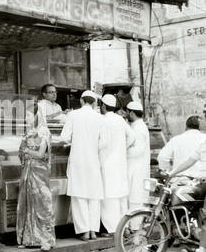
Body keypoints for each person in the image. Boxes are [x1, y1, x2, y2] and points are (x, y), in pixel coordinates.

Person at [60, 90, 104, 241]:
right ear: (94, 103)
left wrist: (75, 140)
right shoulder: (99, 117)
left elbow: (64, 137)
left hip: (78, 160)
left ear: (81, 101)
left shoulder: (73, 115)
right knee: (93, 196)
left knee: (79, 196)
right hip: (93, 160)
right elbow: (103, 142)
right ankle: (93, 231)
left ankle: (84, 231)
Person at [16, 103, 56, 251]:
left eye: (28, 115)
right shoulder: (28, 132)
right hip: (28, 171)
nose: (26, 118)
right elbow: (21, 153)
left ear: (37, 116)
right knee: (27, 203)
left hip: (39, 172)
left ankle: (45, 239)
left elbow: (40, 154)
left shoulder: (43, 132)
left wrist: (27, 150)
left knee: (42, 205)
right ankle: (28, 239)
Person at [98, 94, 136, 236]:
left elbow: (103, 143)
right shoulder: (120, 120)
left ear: (103, 106)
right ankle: (125, 228)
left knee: (109, 198)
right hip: (120, 162)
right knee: (121, 197)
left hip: (107, 163)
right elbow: (132, 136)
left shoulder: (103, 120)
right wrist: (121, 148)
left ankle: (113, 229)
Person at [167, 141, 206, 252]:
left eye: (202, 119)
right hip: (203, 183)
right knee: (184, 200)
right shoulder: (203, 143)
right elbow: (189, 161)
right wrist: (172, 173)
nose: (201, 120)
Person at [126, 101, 150, 217]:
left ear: (131, 113)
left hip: (137, 170)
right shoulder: (137, 126)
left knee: (136, 201)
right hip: (136, 169)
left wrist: (122, 151)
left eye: (126, 112)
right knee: (134, 200)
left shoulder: (139, 128)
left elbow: (138, 150)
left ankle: (136, 230)